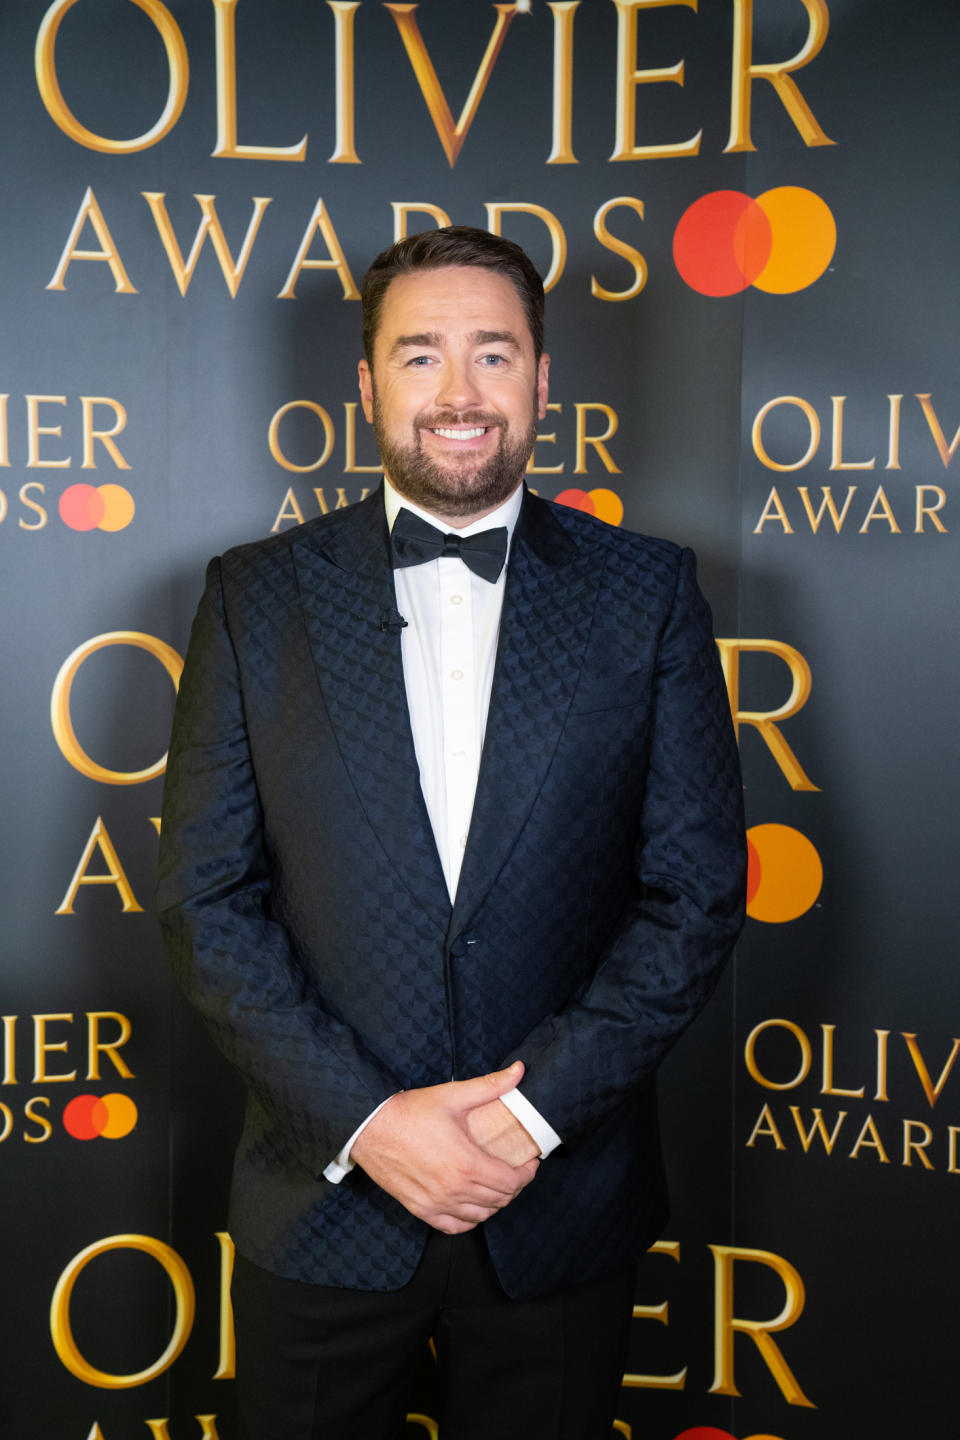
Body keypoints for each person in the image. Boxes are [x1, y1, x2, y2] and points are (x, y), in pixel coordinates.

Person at [157, 226, 746, 1440]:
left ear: (542, 378)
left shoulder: (648, 594)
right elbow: (207, 903)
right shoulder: (253, 597)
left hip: (559, 1201)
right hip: (322, 1205)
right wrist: (373, 1125)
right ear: (368, 387)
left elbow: (692, 895)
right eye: (420, 357)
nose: (460, 394)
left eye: (493, 353)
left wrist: (522, 1121)